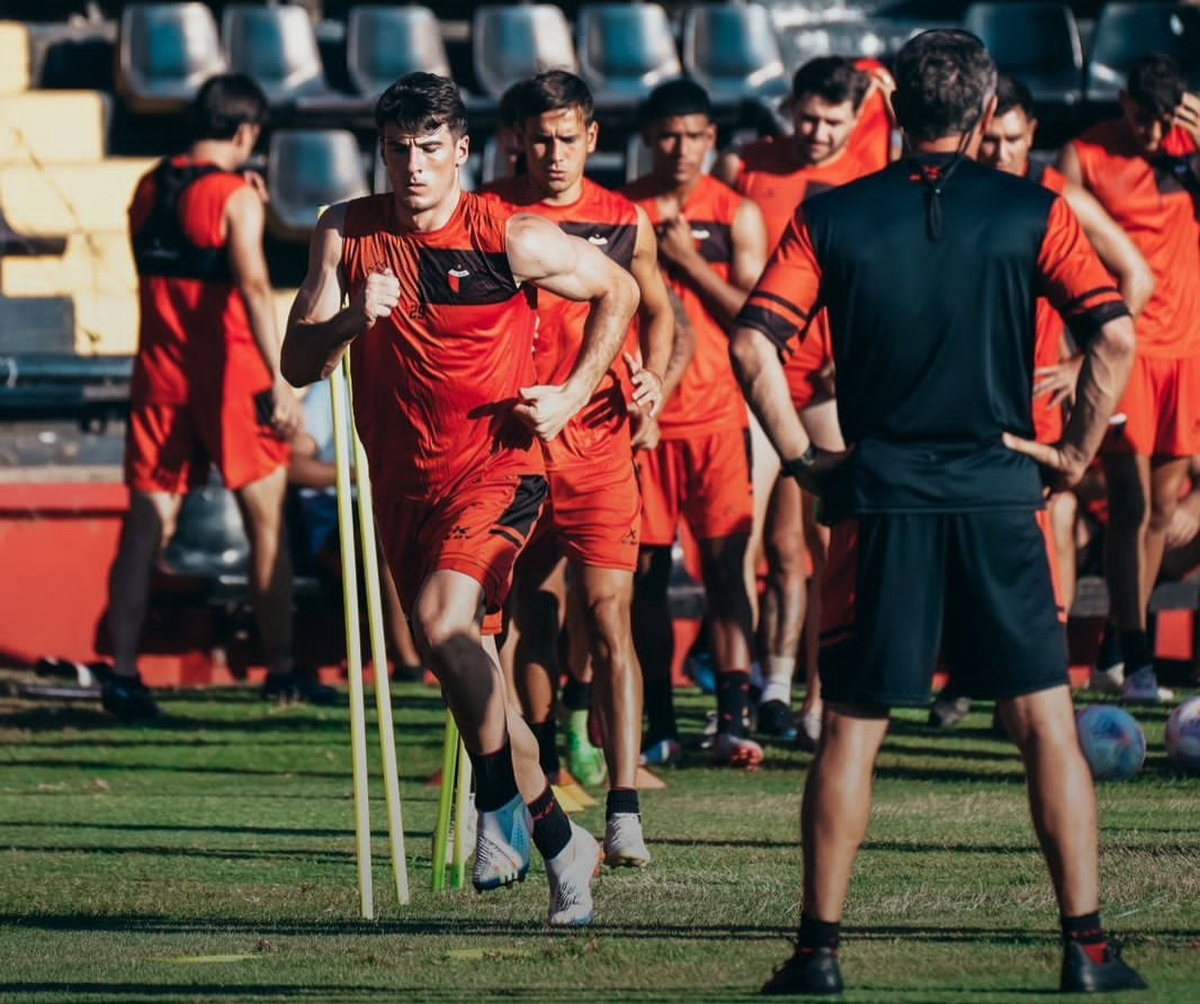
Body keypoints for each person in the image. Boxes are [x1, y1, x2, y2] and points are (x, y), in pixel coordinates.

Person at [730, 30, 1145, 995]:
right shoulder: (1033, 212)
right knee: (1046, 721)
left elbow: (756, 347)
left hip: (880, 495)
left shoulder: (832, 217)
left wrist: (803, 460)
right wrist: (1073, 457)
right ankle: (1085, 950)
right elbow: (1114, 334)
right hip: (1001, 491)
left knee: (853, 727)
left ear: (893, 109)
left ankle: (817, 956)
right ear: (984, 102)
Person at [280, 73, 639, 926]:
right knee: (471, 684)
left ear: (463, 153)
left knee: (447, 626)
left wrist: (573, 391)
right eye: (398, 150)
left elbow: (618, 291)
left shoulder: (508, 234)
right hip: (404, 489)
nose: (413, 167)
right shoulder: (344, 231)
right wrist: (347, 323)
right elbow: (299, 366)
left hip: (499, 470)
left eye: (430, 150)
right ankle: (561, 843)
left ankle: (498, 811)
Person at [483, 69, 676, 866]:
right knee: (531, 614)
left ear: (592, 138)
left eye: (569, 138)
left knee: (607, 617)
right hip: (517, 441)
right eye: (540, 139)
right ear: (515, 141)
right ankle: (549, 786)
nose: (555, 153)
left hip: (599, 444)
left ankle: (625, 805)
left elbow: (660, 311)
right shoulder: (488, 212)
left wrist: (654, 382)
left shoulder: (626, 219)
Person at [931, 73, 1157, 728]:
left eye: (1011, 138)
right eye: (989, 139)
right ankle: (967, 676)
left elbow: (1134, 277)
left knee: (1042, 528)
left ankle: (1034, 680)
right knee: (962, 533)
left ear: (1032, 132)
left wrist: (1081, 359)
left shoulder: (1058, 197)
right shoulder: (949, 194)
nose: (999, 151)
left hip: (1031, 396)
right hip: (960, 393)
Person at [101, 73, 305, 721]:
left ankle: (124, 676)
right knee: (265, 525)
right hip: (231, 377)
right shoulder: (234, 195)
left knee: (144, 526)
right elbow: (248, 283)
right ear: (246, 132)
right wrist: (281, 375)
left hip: (160, 371)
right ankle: (282, 671)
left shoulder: (148, 187)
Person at [715, 56, 886, 750]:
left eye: (831, 121)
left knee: (830, 540)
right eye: (805, 116)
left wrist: (862, 353)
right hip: (756, 373)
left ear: (856, 119)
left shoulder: (874, 171)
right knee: (757, 540)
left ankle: (824, 698)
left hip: (827, 380)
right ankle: (763, 690)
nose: (815, 131)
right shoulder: (747, 165)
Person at [623, 79, 768, 768]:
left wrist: (685, 261)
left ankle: (735, 718)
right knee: (643, 575)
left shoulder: (736, 214)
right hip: (644, 421)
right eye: (669, 135)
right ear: (650, 138)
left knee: (729, 568)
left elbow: (755, 315)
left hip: (717, 418)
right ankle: (658, 720)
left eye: (694, 135)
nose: (681, 149)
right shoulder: (622, 211)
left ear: (713, 139)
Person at [1059, 53, 1200, 705]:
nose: (1151, 134)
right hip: (1128, 348)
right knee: (1130, 503)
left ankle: (1120, 646)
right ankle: (1136, 658)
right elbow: (1061, 241)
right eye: (1142, 119)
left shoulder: (1188, 150)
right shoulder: (1085, 153)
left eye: (1161, 121)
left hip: (1188, 349)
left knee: (1162, 509)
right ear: (1123, 102)